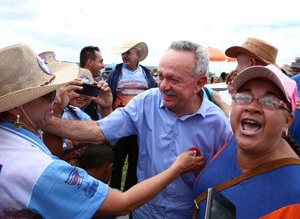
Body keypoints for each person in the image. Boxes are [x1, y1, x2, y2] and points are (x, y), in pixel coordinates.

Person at [0, 43, 203, 219]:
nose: (55, 99)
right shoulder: (39, 170)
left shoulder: (11, 138)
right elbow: (123, 203)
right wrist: (176, 168)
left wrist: (105, 108)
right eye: (48, 94)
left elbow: (95, 135)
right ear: (16, 107)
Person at [44, 40, 233, 219]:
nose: (163, 86)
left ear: (199, 83)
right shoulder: (146, 102)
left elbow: (225, 181)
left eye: (174, 79)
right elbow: (98, 131)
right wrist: (46, 121)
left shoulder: (217, 123)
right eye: (160, 76)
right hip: (143, 212)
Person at [193, 65, 300, 219]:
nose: (252, 107)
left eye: (269, 101)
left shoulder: (295, 196)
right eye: (244, 97)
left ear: (287, 121)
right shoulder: (232, 142)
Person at [107, 40, 156, 192]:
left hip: (140, 126)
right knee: (117, 162)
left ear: (138, 55)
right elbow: (107, 97)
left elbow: (153, 96)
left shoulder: (146, 74)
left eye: (128, 53)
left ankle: (129, 196)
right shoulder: (116, 73)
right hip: (120, 124)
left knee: (135, 162)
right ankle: (115, 195)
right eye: (123, 53)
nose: (124, 56)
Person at [79, 46, 110, 120]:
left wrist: (106, 107)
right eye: (100, 61)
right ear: (90, 62)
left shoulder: (97, 86)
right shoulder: (70, 86)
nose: (103, 66)